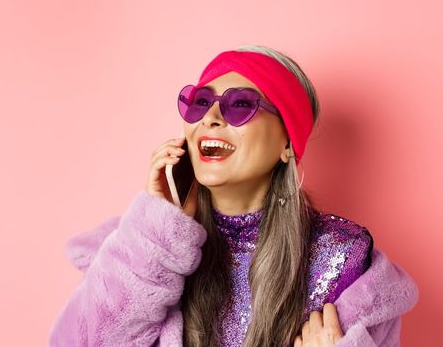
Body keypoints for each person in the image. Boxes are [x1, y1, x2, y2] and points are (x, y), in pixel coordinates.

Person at [48, 45, 419, 347]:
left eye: (240, 104)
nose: (209, 117)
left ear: (287, 144)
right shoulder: (142, 250)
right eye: (199, 102)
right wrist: (157, 232)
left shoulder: (343, 261)